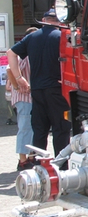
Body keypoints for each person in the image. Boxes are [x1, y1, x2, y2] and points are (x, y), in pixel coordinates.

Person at [7, 10, 71, 162]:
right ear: (60, 21)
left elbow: (11, 53)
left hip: (36, 91)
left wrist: (19, 78)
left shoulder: (31, 37)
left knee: (39, 132)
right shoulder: (62, 37)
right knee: (60, 131)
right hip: (57, 91)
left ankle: (39, 166)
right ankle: (61, 168)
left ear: (43, 20)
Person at [6, 26, 38, 170]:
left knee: (32, 127)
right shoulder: (22, 55)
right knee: (25, 128)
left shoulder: (31, 54)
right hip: (24, 98)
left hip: (30, 97)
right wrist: (18, 86)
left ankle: (30, 156)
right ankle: (23, 160)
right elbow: (8, 69)